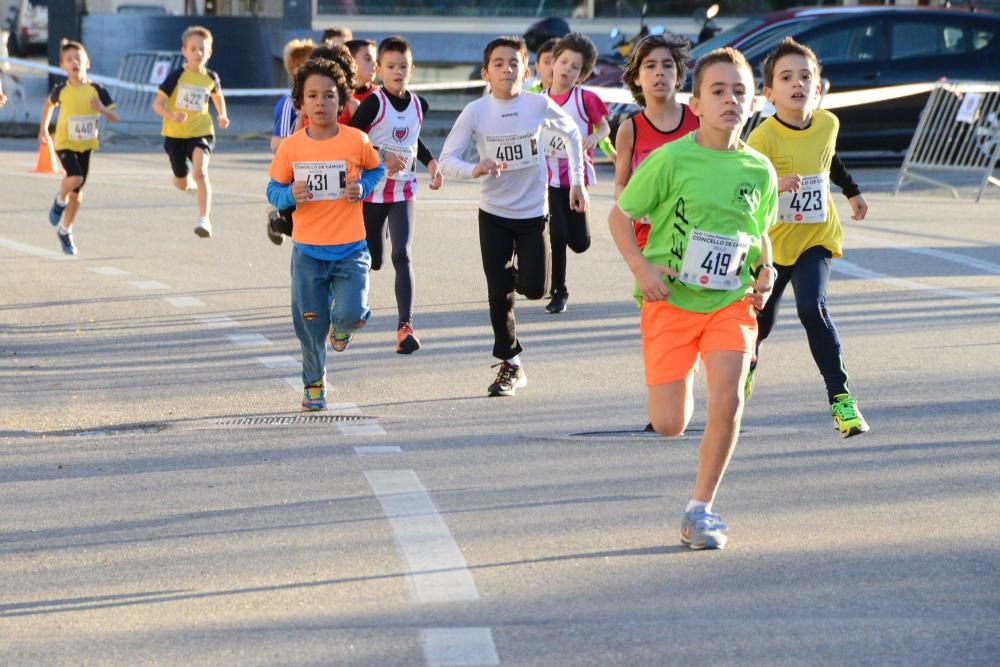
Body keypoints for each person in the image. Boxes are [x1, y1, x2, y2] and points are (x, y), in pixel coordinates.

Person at [608, 47, 778, 550]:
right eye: (718, 91)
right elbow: (620, 218)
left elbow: (760, 231)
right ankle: (685, 370)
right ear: (697, 103)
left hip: (730, 303)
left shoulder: (759, 170)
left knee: (729, 397)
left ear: (752, 104)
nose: (730, 100)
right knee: (670, 423)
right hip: (671, 302)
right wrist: (642, 268)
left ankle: (700, 509)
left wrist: (765, 271)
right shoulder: (670, 159)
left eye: (739, 91)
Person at [439, 36, 587, 396]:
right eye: (499, 63)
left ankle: (516, 282)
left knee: (536, 288)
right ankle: (511, 364)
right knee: (499, 294)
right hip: (493, 215)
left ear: (527, 68)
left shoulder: (538, 104)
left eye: (514, 63)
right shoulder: (475, 111)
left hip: (534, 214)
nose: (507, 69)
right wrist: (476, 169)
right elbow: (447, 161)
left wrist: (577, 183)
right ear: (485, 72)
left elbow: (571, 133)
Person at [745, 37, 870, 438]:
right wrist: (773, 184)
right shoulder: (761, 138)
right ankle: (742, 376)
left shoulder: (828, 124)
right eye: (786, 77)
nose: (797, 83)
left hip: (816, 237)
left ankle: (842, 400)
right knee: (758, 324)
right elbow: (744, 187)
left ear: (818, 87)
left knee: (811, 308)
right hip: (772, 244)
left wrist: (852, 191)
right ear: (769, 93)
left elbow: (828, 158)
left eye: (805, 76)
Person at [266, 54, 385, 411]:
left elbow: (376, 172)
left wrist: (362, 187)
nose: (321, 102)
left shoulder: (357, 141)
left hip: (350, 249)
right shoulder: (292, 147)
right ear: (301, 103)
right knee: (310, 327)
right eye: (313, 95)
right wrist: (289, 195)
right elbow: (272, 189)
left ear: (343, 99)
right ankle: (314, 382)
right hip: (308, 252)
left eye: (329, 95)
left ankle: (344, 326)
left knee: (352, 313)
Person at [348, 35, 443, 354]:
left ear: (412, 69)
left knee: (402, 254)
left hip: (404, 191)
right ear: (379, 70)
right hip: (372, 193)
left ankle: (406, 327)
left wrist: (431, 163)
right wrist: (381, 153)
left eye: (403, 66)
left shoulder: (419, 105)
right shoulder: (373, 103)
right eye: (390, 66)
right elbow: (351, 142)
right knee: (373, 260)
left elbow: (415, 142)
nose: (397, 71)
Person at [540, 32, 609, 314]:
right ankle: (559, 291)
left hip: (577, 180)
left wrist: (594, 138)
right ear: (552, 63)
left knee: (579, 243)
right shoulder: (537, 101)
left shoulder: (585, 99)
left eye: (575, 67)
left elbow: (603, 126)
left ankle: (578, 233)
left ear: (582, 75)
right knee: (556, 233)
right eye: (563, 62)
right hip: (547, 177)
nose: (567, 69)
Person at [613, 34, 699, 251]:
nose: (660, 72)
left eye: (667, 65)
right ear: (637, 78)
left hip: (697, 235)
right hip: (649, 242)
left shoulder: (700, 120)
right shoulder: (629, 130)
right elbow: (620, 185)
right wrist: (637, 206)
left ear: (678, 73)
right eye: (650, 66)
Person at [39, 39, 119, 255]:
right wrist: (44, 129)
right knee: (75, 178)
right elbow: (48, 105)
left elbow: (114, 117)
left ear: (87, 63)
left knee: (77, 194)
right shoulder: (60, 90)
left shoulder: (97, 90)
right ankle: (59, 200)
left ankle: (66, 230)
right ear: (62, 65)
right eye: (69, 60)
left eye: (78, 59)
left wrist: (101, 108)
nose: (74, 62)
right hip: (64, 141)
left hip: (86, 145)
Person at [152, 25, 229, 239]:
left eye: (202, 49)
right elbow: (157, 104)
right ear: (184, 51)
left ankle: (204, 220)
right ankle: (189, 186)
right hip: (175, 134)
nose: (198, 53)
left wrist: (222, 115)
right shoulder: (176, 77)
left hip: (201, 131)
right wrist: (172, 116)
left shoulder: (211, 77)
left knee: (200, 172)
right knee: (182, 182)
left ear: (209, 53)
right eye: (193, 49)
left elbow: (217, 96)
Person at [267, 38, 316, 246]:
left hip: (317, 167)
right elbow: (277, 145)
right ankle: (276, 221)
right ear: (295, 71)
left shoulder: (320, 97)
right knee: (295, 227)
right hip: (294, 173)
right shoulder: (289, 104)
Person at [338, 38, 377, 123]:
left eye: (375, 60)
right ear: (350, 61)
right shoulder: (334, 97)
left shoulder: (381, 96)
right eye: (368, 59)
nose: (375, 64)